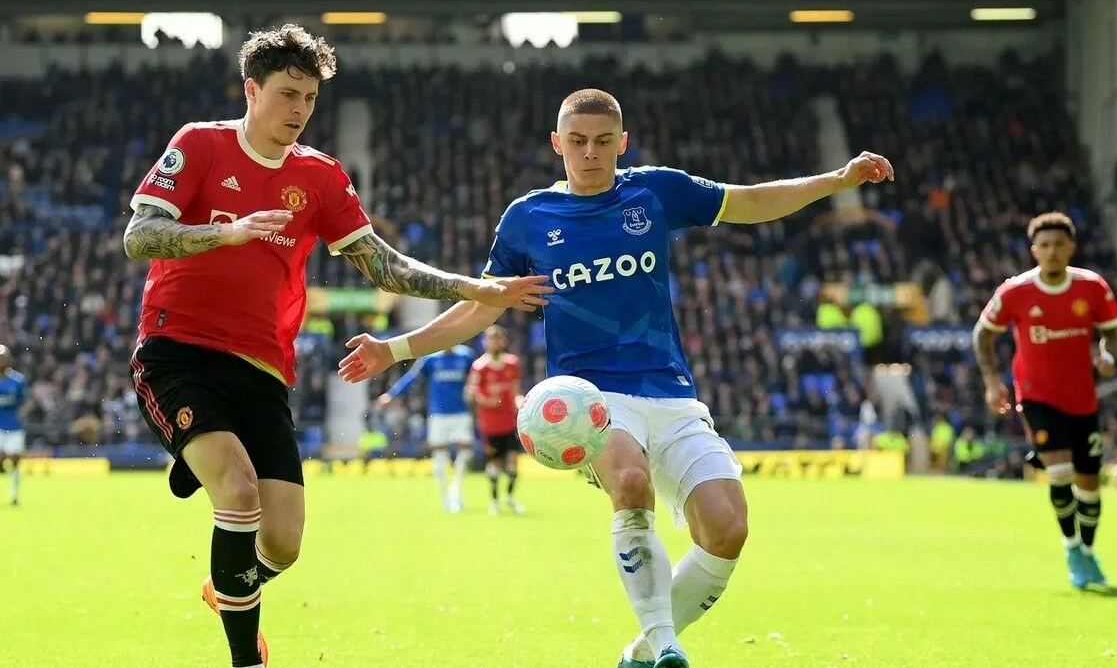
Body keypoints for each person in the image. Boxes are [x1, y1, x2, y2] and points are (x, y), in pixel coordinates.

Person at [337, 88, 892, 668]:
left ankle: (642, 650)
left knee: (727, 530)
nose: (590, 153)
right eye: (577, 142)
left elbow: (749, 202)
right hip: (589, 397)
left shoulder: (655, 191)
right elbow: (482, 307)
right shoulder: (529, 218)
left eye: (603, 142)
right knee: (630, 481)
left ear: (622, 143)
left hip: (672, 393)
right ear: (557, 144)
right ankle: (669, 644)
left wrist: (836, 180)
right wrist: (394, 348)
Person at [122, 24, 552, 668]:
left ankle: (230, 583)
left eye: (311, 99)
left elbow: (381, 264)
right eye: (289, 94)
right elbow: (140, 235)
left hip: (264, 366)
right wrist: (228, 233)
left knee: (284, 543)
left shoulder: (319, 177)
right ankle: (249, 659)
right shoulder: (201, 145)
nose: (300, 111)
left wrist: (476, 286)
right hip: (178, 349)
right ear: (252, 90)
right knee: (239, 494)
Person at [972, 211, 1117, 589]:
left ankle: (1087, 551)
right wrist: (992, 382)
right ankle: (1071, 547)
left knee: (1089, 486)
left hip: (1083, 399)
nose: (1052, 251)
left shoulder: (1092, 287)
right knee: (1059, 472)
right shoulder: (1015, 291)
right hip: (1037, 396)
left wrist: (1108, 356)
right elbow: (982, 334)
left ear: (1071, 248)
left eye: (1059, 244)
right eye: (1045, 245)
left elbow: (1113, 332)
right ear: (1034, 250)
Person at [376, 343, 476, 512]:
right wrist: (391, 395)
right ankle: (446, 498)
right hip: (438, 414)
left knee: (466, 452)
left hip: (461, 411)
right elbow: (412, 377)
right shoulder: (431, 358)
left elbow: (477, 378)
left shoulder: (466, 356)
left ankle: (456, 493)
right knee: (439, 455)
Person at [464, 325, 524, 516]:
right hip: (490, 424)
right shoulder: (479, 367)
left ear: (504, 342)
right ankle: (495, 501)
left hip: (510, 420)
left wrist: (519, 401)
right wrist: (486, 401)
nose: (495, 342)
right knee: (495, 464)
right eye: (491, 339)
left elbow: (516, 389)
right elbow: (470, 393)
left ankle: (510, 498)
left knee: (513, 464)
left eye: (498, 339)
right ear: (485, 343)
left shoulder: (512, 363)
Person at [0, 345, 28, 506]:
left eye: (2, 357)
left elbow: (26, 401)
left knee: (16, 460)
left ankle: (14, 495)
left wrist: (23, 411)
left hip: (14, 426)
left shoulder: (17, 381)